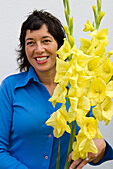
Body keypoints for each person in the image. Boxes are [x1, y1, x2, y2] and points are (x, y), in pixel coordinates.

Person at [0, 10, 113, 169]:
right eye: (31, 42)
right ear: (24, 49)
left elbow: (90, 143)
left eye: (46, 41)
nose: (39, 49)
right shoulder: (10, 88)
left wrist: (101, 148)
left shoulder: (81, 88)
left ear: (60, 45)